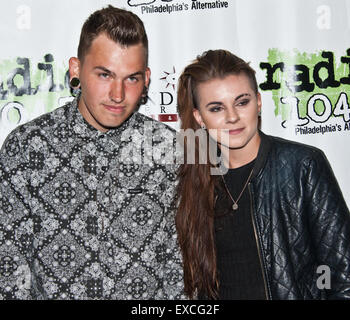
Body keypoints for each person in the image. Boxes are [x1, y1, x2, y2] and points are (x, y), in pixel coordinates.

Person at [0, 5, 184, 299]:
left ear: (147, 78)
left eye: (132, 78)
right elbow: (9, 269)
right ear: (76, 69)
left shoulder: (169, 149)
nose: (118, 94)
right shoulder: (26, 148)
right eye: (104, 75)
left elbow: (181, 269)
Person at [175, 49, 350, 300]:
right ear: (199, 117)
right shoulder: (195, 182)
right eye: (216, 108)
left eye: (242, 102)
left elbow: (342, 275)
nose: (232, 117)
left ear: (258, 102)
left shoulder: (302, 165)